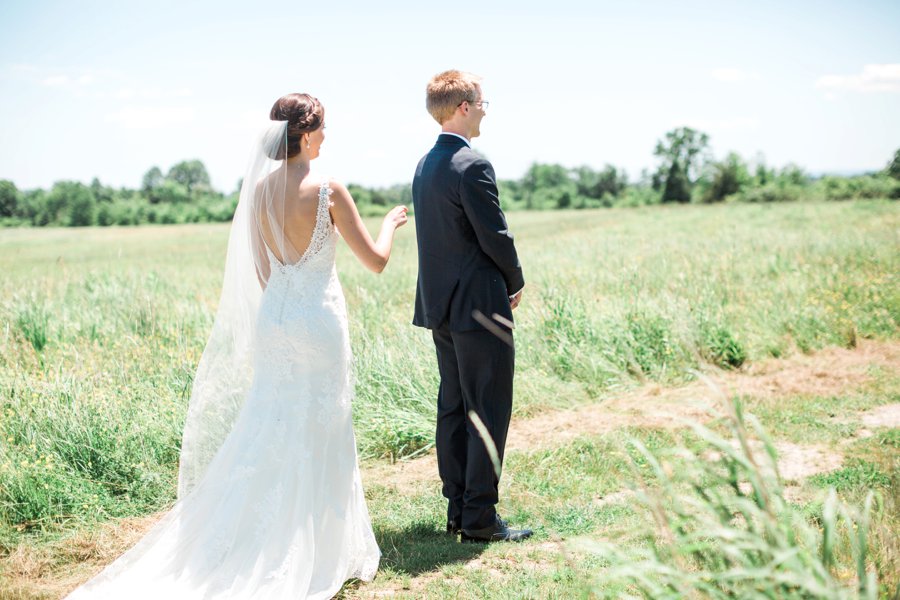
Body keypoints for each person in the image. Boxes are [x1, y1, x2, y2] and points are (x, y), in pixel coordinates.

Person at [65, 93, 408, 599]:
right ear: (307, 134)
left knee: (271, 423)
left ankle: (257, 534)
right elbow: (376, 261)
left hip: (278, 319)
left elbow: (263, 270)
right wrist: (390, 225)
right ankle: (316, 548)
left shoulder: (260, 191)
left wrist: (289, 302)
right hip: (318, 321)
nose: (327, 137)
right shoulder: (328, 187)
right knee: (322, 424)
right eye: (324, 128)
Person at [412, 70, 531, 543]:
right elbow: (494, 236)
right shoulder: (472, 164)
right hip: (481, 304)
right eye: (482, 101)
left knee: (454, 406)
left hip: (442, 305)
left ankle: (458, 509)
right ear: (463, 106)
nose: (485, 108)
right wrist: (516, 281)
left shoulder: (425, 164)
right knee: (487, 407)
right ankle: (480, 517)